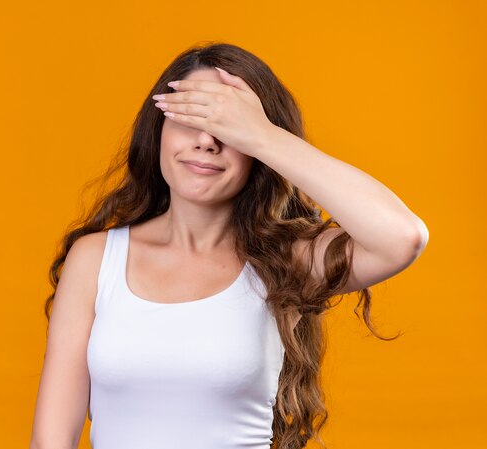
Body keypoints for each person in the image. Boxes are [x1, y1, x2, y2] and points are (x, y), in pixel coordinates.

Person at [29, 42, 429, 449]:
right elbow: (51, 439)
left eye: (226, 127)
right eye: (191, 118)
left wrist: (263, 135)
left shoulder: (284, 262)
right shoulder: (96, 260)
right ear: (159, 130)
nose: (206, 141)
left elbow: (401, 237)